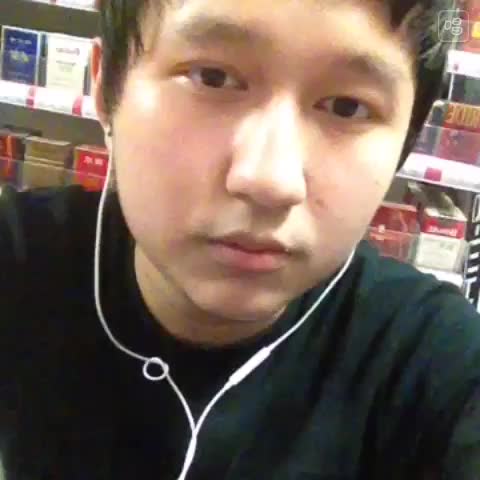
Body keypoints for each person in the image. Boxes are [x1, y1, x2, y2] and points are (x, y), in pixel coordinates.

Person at [0, 0, 479, 478]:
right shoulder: (17, 264)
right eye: (212, 77)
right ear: (107, 87)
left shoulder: (436, 365)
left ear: (407, 139)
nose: (270, 180)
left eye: (347, 107)